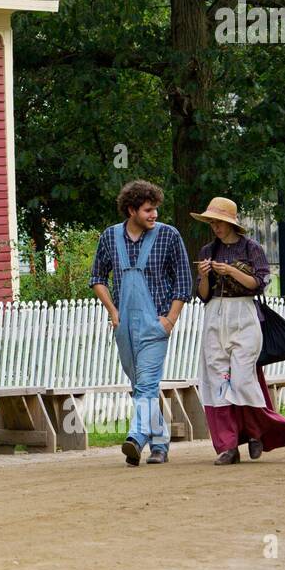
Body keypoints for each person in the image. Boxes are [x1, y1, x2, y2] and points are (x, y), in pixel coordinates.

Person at [90, 180, 193, 466]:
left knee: (147, 383)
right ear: (132, 210)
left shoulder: (169, 236)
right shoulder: (110, 237)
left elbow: (184, 282)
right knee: (140, 386)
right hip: (123, 324)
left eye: (156, 210)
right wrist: (112, 311)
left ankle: (136, 437)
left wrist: (170, 320)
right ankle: (159, 443)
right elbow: (97, 278)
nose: (154, 215)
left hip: (155, 323)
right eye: (148, 210)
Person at [192, 197, 285, 465]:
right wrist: (205, 276)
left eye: (220, 222)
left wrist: (231, 272)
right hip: (215, 314)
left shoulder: (251, 248)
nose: (216, 227)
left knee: (241, 378)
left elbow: (259, 284)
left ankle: (257, 432)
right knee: (217, 380)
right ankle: (227, 446)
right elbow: (203, 295)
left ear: (231, 223)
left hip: (244, 314)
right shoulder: (208, 250)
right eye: (212, 222)